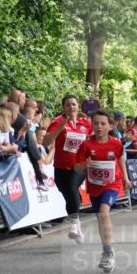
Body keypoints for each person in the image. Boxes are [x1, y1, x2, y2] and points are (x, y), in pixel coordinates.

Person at [73, 110, 130, 272]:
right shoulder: (86, 145)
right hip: (94, 186)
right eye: (96, 123)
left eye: (103, 123)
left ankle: (108, 253)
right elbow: (76, 167)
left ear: (110, 126)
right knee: (100, 218)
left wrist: (125, 177)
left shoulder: (116, 143)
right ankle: (106, 249)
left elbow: (120, 157)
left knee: (104, 213)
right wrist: (84, 165)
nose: (99, 126)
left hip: (112, 183)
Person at [43, 94, 92, 244]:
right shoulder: (58, 122)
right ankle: (77, 225)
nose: (71, 107)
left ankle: (73, 224)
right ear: (63, 108)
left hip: (79, 166)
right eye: (68, 104)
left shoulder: (86, 123)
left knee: (71, 187)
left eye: (73, 104)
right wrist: (60, 128)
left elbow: (95, 138)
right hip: (61, 167)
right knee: (70, 195)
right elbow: (45, 142)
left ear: (78, 106)